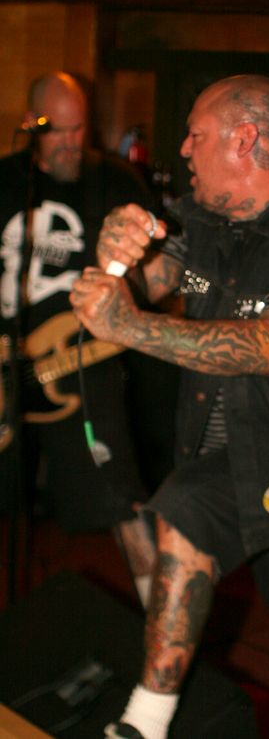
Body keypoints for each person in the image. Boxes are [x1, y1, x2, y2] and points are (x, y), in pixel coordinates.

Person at [69, 74, 269, 739]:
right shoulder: (205, 215)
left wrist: (127, 327)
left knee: (185, 513)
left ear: (243, 140)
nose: (184, 149)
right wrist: (118, 256)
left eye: (197, 134)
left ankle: (143, 725)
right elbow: (153, 281)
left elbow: (265, 348)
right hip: (227, 440)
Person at [0, 71, 155, 605]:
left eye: (78, 128)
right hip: (6, 364)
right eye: (57, 131)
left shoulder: (112, 182)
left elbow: (158, 272)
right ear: (31, 124)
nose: (70, 142)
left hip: (84, 362)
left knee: (121, 495)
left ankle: (161, 621)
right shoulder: (5, 180)